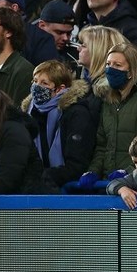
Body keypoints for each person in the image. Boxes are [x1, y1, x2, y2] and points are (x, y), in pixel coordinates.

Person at [79, 43, 137, 187]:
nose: (111, 69)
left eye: (117, 65)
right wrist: (94, 171)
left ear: (131, 71)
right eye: (108, 64)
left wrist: (131, 172)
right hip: (110, 184)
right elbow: (102, 145)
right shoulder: (109, 98)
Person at [21, 60, 96, 188]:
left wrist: (46, 176)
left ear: (60, 89)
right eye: (35, 81)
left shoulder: (76, 113)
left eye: (44, 83)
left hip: (66, 188)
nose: (36, 86)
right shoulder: (29, 113)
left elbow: (77, 164)